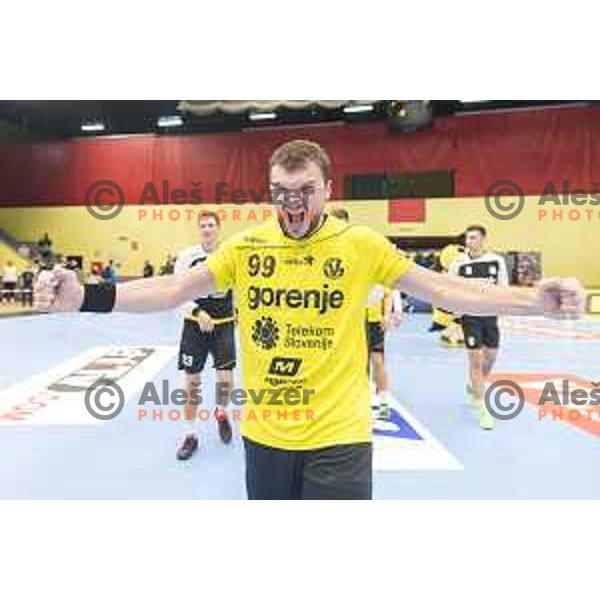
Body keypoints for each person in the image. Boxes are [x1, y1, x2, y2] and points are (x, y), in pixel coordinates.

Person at [34, 140, 585, 500]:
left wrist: (533, 299)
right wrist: (87, 294)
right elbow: (173, 288)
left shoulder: (360, 245)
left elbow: (446, 287)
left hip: (339, 437)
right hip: (267, 436)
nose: (292, 204)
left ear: (327, 188)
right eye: (280, 193)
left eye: (304, 192)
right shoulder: (247, 247)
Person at [174, 211, 235, 460]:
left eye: (211, 225)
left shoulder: (229, 254)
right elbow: (177, 291)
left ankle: (221, 411)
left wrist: (240, 310)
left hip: (224, 325)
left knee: (226, 380)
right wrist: (197, 311)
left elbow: (239, 286)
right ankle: (189, 435)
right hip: (194, 326)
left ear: (218, 228)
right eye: (203, 225)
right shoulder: (187, 257)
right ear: (199, 229)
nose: (207, 229)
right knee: (192, 382)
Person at [448, 225, 509, 430]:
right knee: (475, 360)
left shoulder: (496, 261)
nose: (469, 241)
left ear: (483, 239)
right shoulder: (458, 262)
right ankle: (483, 409)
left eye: (473, 237)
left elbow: (503, 288)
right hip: (469, 316)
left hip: (490, 315)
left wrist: (502, 307)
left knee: (490, 357)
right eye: (467, 238)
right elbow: (450, 287)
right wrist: (455, 310)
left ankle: (474, 386)